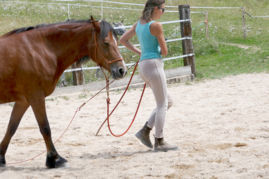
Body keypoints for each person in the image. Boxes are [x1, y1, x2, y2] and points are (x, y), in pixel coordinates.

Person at [120, 0, 177, 152]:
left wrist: (140, 52)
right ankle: (159, 141)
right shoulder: (156, 26)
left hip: (144, 66)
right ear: (156, 9)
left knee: (167, 101)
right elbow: (164, 52)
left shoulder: (138, 24)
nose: (163, 13)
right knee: (162, 104)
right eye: (163, 10)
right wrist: (160, 45)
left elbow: (123, 40)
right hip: (154, 66)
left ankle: (145, 130)